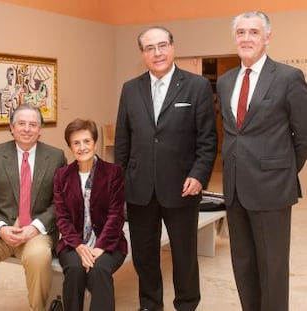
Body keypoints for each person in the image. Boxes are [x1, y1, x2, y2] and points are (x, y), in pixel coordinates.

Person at [114, 26, 218, 311]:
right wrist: (119, 182)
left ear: (173, 47)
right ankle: (150, 304)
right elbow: (123, 141)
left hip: (182, 187)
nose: (157, 53)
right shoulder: (130, 89)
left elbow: (208, 139)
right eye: (150, 48)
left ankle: (186, 304)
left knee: (184, 255)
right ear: (142, 54)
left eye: (162, 45)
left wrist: (199, 175)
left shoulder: (196, 86)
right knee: (144, 255)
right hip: (139, 189)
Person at [216, 11, 307, 311]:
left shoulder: (288, 78)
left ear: (267, 38)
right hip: (235, 190)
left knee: (272, 269)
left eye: (254, 32)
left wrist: (281, 172)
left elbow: (303, 136)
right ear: (234, 38)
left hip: (271, 190)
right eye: (240, 32)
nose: (246, 38)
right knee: (243, 266)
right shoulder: (226, 81)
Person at [0, 103, 67, 311]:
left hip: (35, 232)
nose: (26, 129)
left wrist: (35, 227)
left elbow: (61, 201)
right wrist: (1, 228)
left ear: (40, 130)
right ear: (11, 128)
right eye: (21, 123)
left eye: (32, 124)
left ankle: (39, 308)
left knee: (40, 257)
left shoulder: (56, 157)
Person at [54, 119, 128, 311]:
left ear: (95, 143)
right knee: (75, 270)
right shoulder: (62, 176)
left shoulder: (113, 172)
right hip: (73, 243)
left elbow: (116, 215)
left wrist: (99, 248)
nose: (82, 147)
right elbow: (62, 218)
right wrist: (79, 247)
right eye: (76, 143)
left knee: (99, 270)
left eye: (87, 141)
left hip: (109, 243)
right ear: (70, 146)